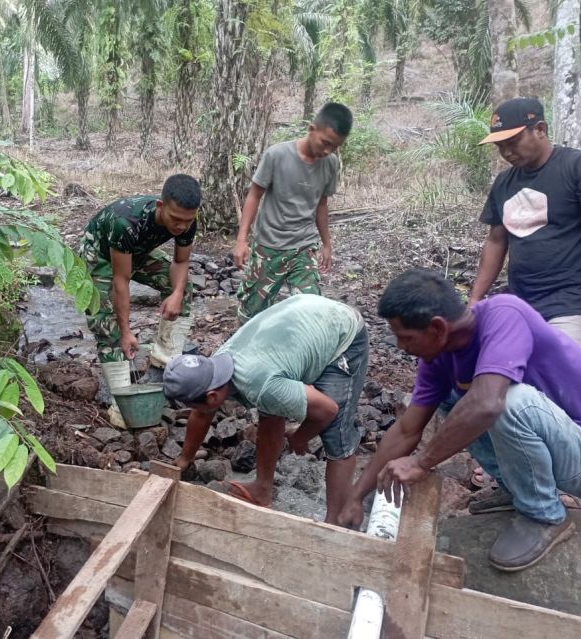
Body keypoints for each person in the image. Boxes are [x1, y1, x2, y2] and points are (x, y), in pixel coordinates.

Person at [340, 270, 581, 572]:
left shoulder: (505, 314)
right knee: (456, 400)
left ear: (437, 328)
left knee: (500, 401)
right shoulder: (437, 358)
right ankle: (516, 487)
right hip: (554, 450)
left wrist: (421, 462)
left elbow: (488, 404)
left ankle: (544, 514)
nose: (401, 347)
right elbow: (407, 430)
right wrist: (356, 496)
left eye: (406, 337)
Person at [163, 294, 368, 525]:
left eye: (192, 405)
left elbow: (327, 410)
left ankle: (334, 526)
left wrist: (301, 437)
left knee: (336, 434)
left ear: (212, 396)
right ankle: (262, 490)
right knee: (271, 406)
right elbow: (202, 413)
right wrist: (184, 460)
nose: (195, 410)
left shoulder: (263, 386)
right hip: (303, 318)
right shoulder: (217, 366)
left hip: (341, 330)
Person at [470, 97, 581, 360]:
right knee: (513, 381)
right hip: (520, 305)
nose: (506, 152)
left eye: (513, 142)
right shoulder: (504, 182)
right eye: (500, 146)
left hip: (572, 303)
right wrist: (475, 299)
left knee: (565, 383)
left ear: (540, 129)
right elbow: (496, 242)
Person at [80, 174, 202, 425]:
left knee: (183, 289)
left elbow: (180, 261)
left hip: (135, 251)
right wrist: (126, 331)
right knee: (105, 321)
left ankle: (163, 368)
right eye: (176, 220)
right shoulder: (127, 222)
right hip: (98, 254)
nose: (181, 227)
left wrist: (176, 294)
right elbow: (120, 281)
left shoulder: (188, 220)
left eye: (187, 221)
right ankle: (121, 406)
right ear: (160, 206)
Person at [233, 102, 353, 325]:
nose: (327, 151)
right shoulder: (277, 155)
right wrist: (242, 240)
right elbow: (254, 196)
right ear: (311, 129)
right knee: (251, 313)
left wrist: (327, 244)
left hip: (304, 246)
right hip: (269, 245)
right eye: (325, 143)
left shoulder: (330, 164)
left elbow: (321, 205)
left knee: (310, 310)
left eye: (334, 147)